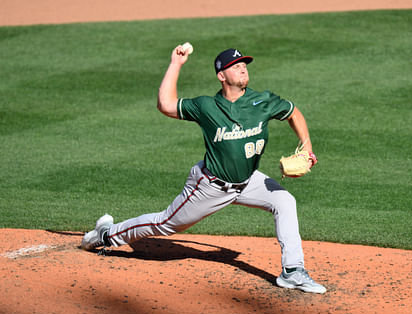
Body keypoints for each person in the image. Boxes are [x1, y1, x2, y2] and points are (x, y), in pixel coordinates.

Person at [81, 45, 326, 294]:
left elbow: (293, 112)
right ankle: (106, 235)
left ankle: (293, 271)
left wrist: (307, 148)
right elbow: (165, 104)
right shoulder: (206, 106)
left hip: (249, 181)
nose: (242, 68)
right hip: (210, 186)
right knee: (166, 223)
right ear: (221, 76)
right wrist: (176, 64)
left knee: (284, 201)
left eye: (244, 64)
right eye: (235, 65)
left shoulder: (262, 101)